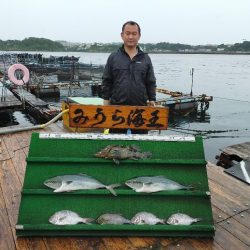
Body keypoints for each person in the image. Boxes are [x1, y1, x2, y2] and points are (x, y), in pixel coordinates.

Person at [101, 21, 156, 134]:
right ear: (122, 35)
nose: (130, 37)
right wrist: (106, 103)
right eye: (127, 33)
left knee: (141, 145)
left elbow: (150, 82)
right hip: (117, 109)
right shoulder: (113, 57)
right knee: (115, 145)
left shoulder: (146, 58)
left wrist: (152, 100)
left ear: (139, 36)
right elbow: (107, 81)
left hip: (140, 109)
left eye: (134, 33)